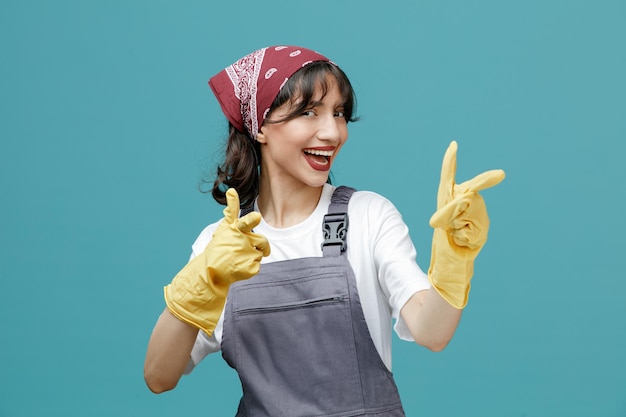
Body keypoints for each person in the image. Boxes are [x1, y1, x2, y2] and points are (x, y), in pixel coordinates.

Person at [144, 45, 505, 416]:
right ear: (261, 127)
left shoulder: (368, 217)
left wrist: (455, 258)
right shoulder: (221, 245)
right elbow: (159, 376)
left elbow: (433, 333)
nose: (333, 131)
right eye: (309, 112)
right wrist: (200, 283)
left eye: (339, 113)